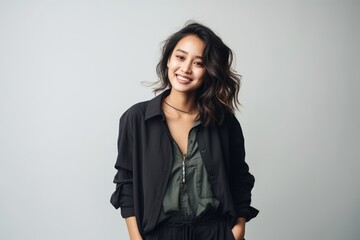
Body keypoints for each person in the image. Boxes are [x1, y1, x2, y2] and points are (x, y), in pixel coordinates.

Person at [110, 22, 258, 240]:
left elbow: (240, 179)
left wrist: (237, 229)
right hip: (159, 233)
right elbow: (126, 184)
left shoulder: (224, 122)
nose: (186, 69)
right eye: (180, 57)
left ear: (210, 70)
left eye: (199, 63)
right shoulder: (137, 119)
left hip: (216, 232)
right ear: (169, 59)